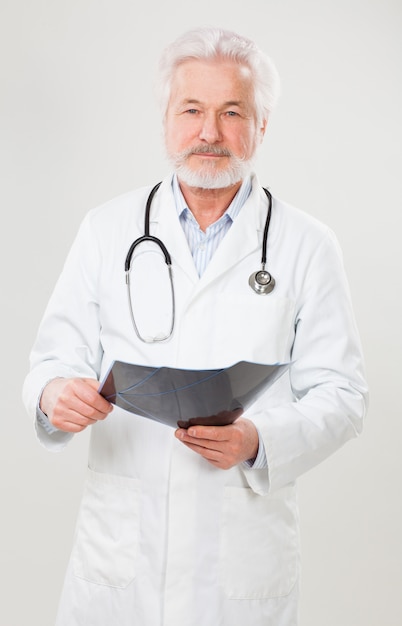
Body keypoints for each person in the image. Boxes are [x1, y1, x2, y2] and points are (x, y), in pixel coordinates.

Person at [23, 27, 368, 626]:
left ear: (262, 127)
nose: (210, 132)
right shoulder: (106, 230)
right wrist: (55, 396)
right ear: (166, 120)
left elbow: (344, 396)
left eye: (232, 112)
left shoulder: (306, 246)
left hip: (237, 568)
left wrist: (258, 439)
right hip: (119, 563)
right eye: (192, 110)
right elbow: (51, 362)